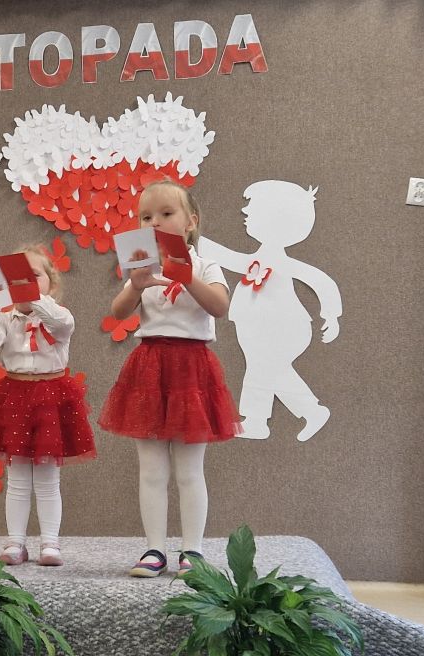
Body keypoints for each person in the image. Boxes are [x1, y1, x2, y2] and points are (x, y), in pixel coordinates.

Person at [98, 179, 240, 578]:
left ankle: (192, 551)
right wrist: (136, 285)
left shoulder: (205, 265)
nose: (155, 222)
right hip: (150, 368)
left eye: (166, 213)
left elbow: (219, 306)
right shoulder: (143, 265)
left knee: (190, 470)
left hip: (192, 370)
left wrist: (187, 275)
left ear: (191, 221)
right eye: (146, 217)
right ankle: (154, 549)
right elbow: (119, 311)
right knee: (152, 470)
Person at [0, 246, 96, 566]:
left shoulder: (58, 315)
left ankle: (50, 543)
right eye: (16, 278)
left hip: (50, 398)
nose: (24, 282)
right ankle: (15, 542)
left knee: (47, 477)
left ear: (51, 283)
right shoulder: (6, 317)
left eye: (34, 276)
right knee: (17, 477)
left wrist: (35, 299)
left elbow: (62, 325)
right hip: (15, 395)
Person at [197, 181, 340, 441]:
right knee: (268, 370)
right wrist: (190, 239)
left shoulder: (276, 260)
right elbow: (230, 258)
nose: (245, 213)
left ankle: (271, 419)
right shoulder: (260, 258)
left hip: (285, 329)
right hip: (258, 327)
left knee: (264, 369)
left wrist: (331, 314)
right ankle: (295, 415)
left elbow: (320, 281)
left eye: (252, 209)